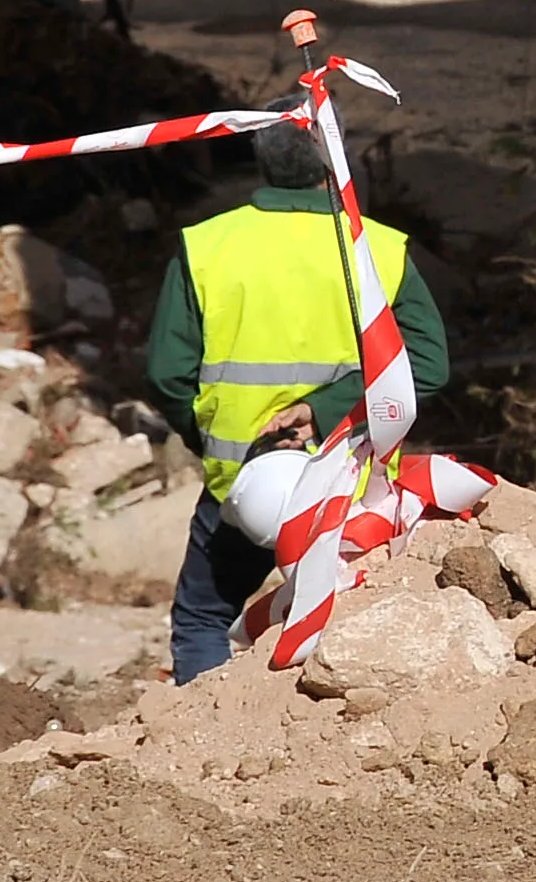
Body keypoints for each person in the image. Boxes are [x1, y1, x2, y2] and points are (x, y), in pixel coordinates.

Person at [150, 110, 452, 684]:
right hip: (351, 481)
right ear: (333, 164)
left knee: (203, 619)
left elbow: (168, 375)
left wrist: (217, 441)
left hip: (241, 480)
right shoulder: (377, 250)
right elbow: (427, 366)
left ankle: (201, 742)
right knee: (347, 614)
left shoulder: (206, 246)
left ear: (261, 162)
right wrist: (328, 409)